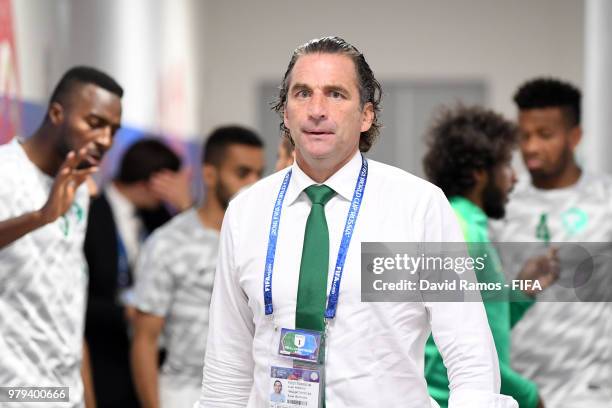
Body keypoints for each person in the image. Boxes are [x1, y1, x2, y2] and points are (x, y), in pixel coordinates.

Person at [196, 36, 516, 407]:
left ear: (366, 115)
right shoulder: (246, 212)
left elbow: (468, 349)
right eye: (302, 94)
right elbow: (227, 363)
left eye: (335, 94)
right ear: (285, 113)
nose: (317, 110)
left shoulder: (417, 206)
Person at [0, 66, 123, 407]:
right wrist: (41, 217)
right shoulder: (5, 173)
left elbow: (67, 298)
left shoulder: (77, 186)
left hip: (65, 392)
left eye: (113, 130)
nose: (106, 140)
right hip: (14, 393)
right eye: (95, 124)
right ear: (56, 113)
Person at [423, 105, 559, 408]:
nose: (513, 179)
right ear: (479, 174)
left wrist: (526, 289)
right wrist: (527, 395)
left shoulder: (469, 227)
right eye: (506, 167)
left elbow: (479, 329)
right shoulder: (461, 234)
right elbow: (441, 351)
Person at [491, 78, 612, 407]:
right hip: (520, 391)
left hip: (591, 392)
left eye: (545, 135)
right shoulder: (501, 205)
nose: (530, 147)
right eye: (524, 136)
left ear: (575, 137)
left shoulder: (606, 201)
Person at [130, 126, 265, 408]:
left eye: (258, 174)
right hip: (183, 391)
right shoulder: (167, 242)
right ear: (210, 175)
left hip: (252, 390)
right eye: (242, 173)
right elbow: (145, 339)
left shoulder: (265, 240)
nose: (253, 183)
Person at [84, 138, 192, 407]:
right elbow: (76, 299)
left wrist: (185, 206)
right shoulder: (90, 212)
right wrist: (125, 313)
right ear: (152, 180)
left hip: (154, 359)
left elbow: (194, 257)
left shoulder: (158, 216)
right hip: (104, 356)